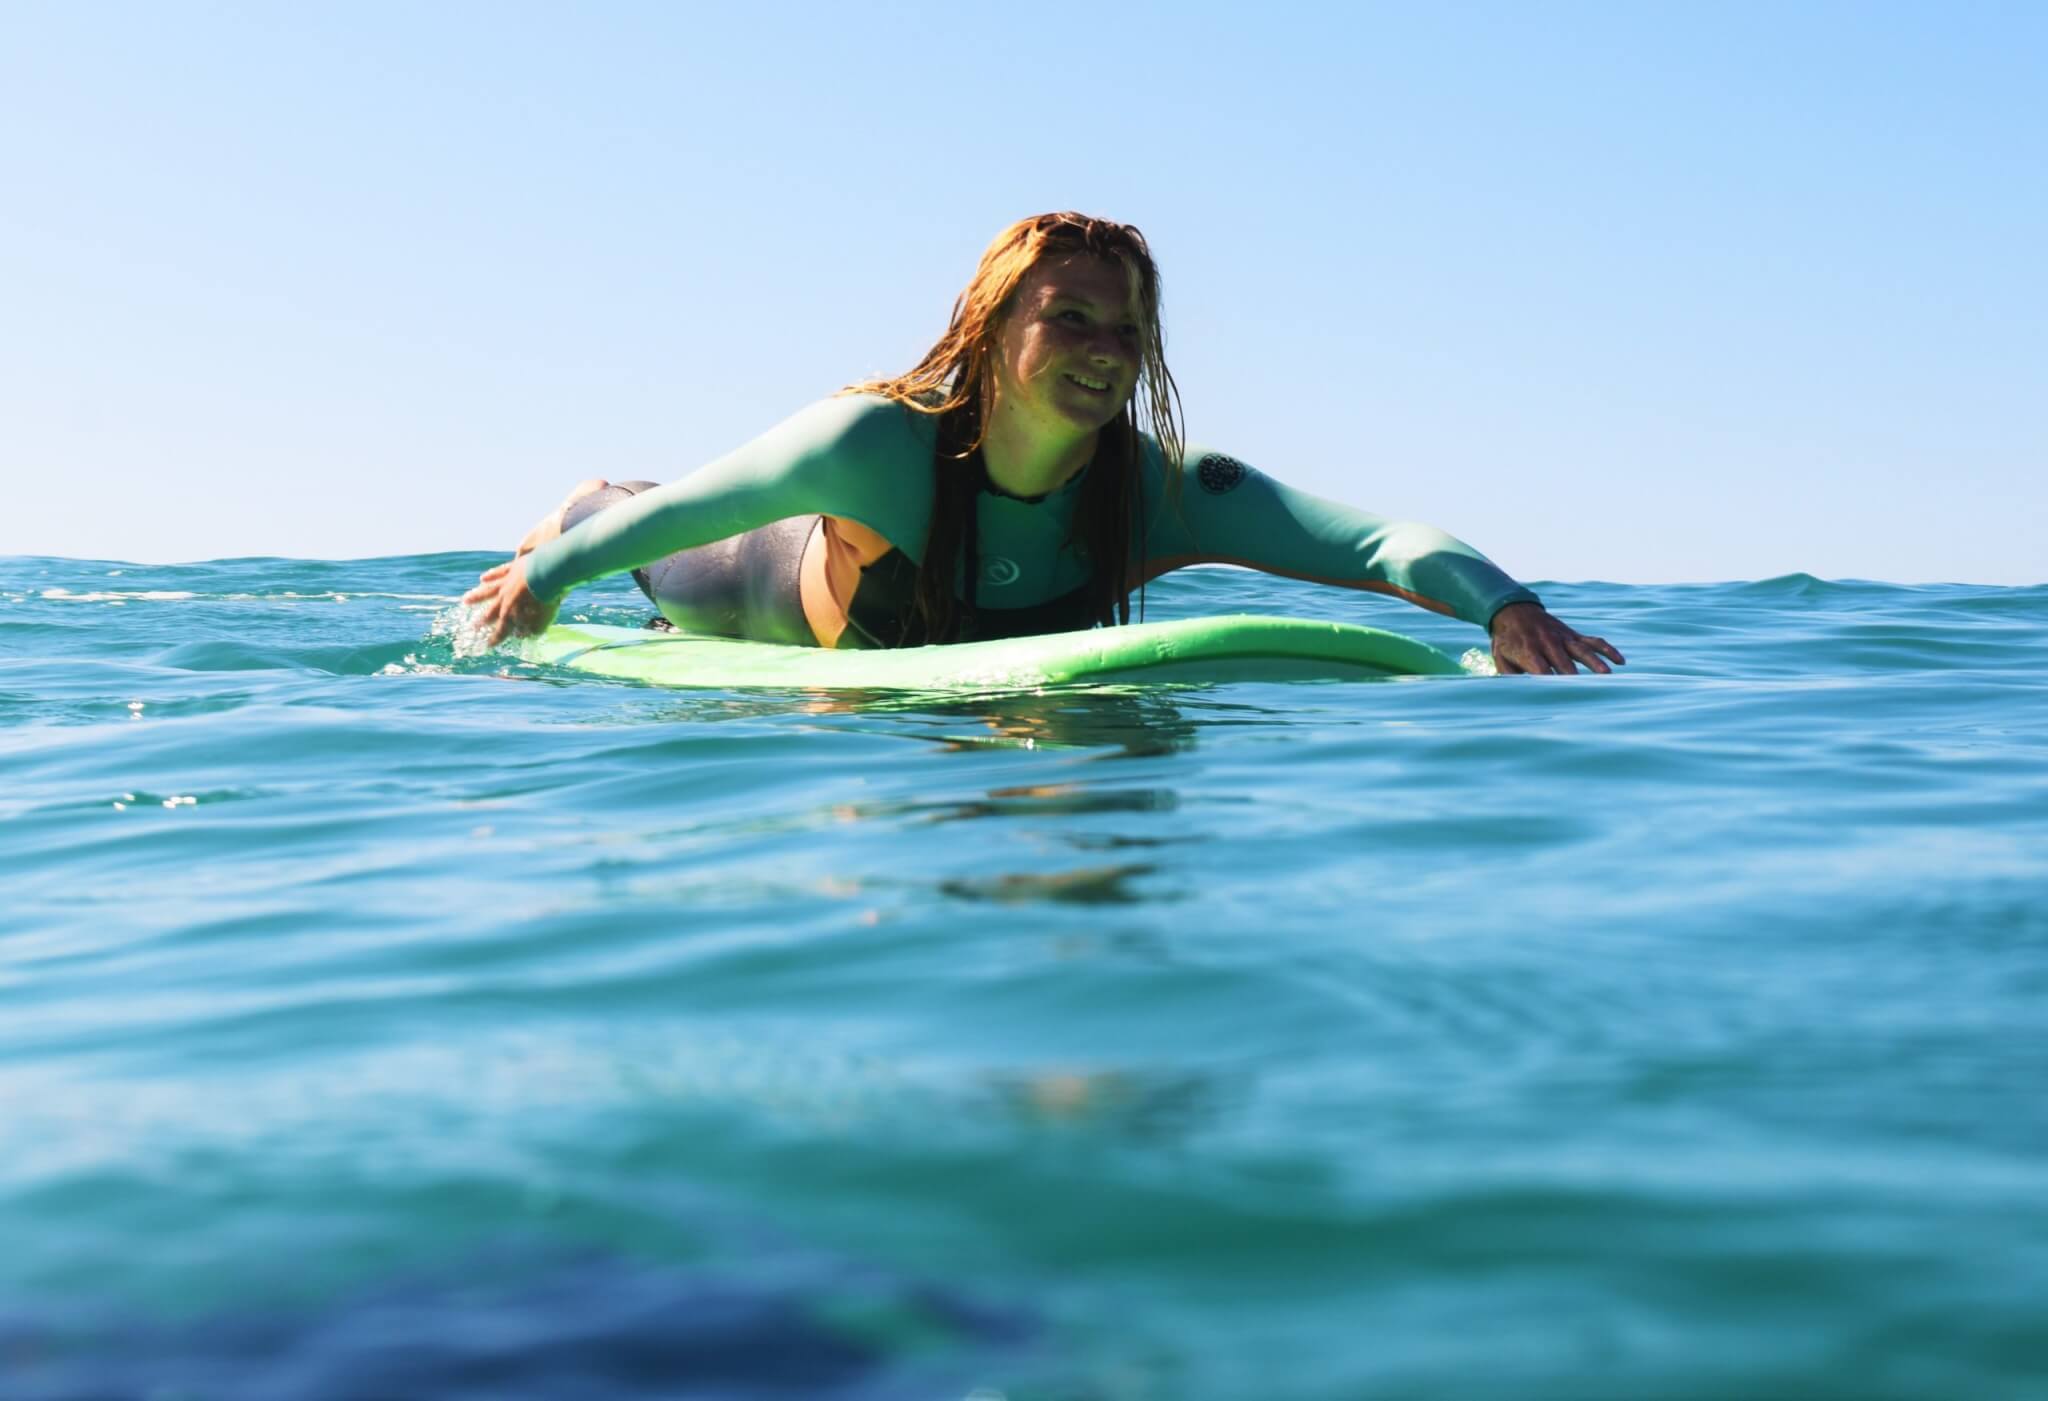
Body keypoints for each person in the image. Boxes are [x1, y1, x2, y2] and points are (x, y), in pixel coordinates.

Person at [464, 212, 1623, 676]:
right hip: (767, 585)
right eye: (1067, 317)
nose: (1104, 348)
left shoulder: (1160, 491)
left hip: (967, 680)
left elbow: (1376, 538)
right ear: (987, 329)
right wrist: (547, 577)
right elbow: (683, 515)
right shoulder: (875, 444)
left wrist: (1504, 605)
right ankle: (575, 499)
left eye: (1126, 328)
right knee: (657, 552)